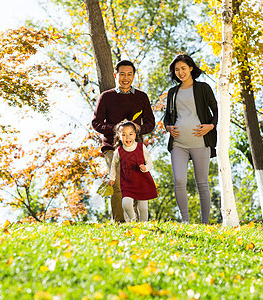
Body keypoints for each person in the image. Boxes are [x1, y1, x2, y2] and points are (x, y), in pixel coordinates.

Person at [92, 60, 155, 222]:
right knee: (118, 184)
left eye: (129, 74)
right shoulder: (106, 97)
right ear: (115, 75)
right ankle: (119, 223)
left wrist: (137, 128)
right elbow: (96, 123)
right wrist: (115, 129)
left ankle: (134, 222)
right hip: (112, 147)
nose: (125, 78)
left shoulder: (141, 97)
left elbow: (150, 123)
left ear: (133, 76)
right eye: (122, 74)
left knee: (134, 186)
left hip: (134, 148)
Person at [163, 54, 218, 224]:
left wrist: (211, 126)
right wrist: (168, 127)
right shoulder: (172, 92)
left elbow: (216, 110)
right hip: (179, 144)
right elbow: (167, 117)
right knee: (179, 180)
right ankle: (185, 221)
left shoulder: (203, 88)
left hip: (200, 143)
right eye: (177, 70)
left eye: (183, 69)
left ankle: (205, 223)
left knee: (202, 183)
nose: (180, 72)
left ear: (191, 69)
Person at [108, 121, 157, 222]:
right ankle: (133, 219)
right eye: (124, 135)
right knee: (126, 204)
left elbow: (150, 163)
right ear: (119, 136)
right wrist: (112, 178)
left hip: (142, 182)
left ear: (135, 134)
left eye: (130, 134)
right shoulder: (119, 151)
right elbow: (113, 165)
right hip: (127, 183)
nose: (128, 137)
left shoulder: (141, 147)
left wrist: (145, 168)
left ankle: (144, 225)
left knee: (143, 207)